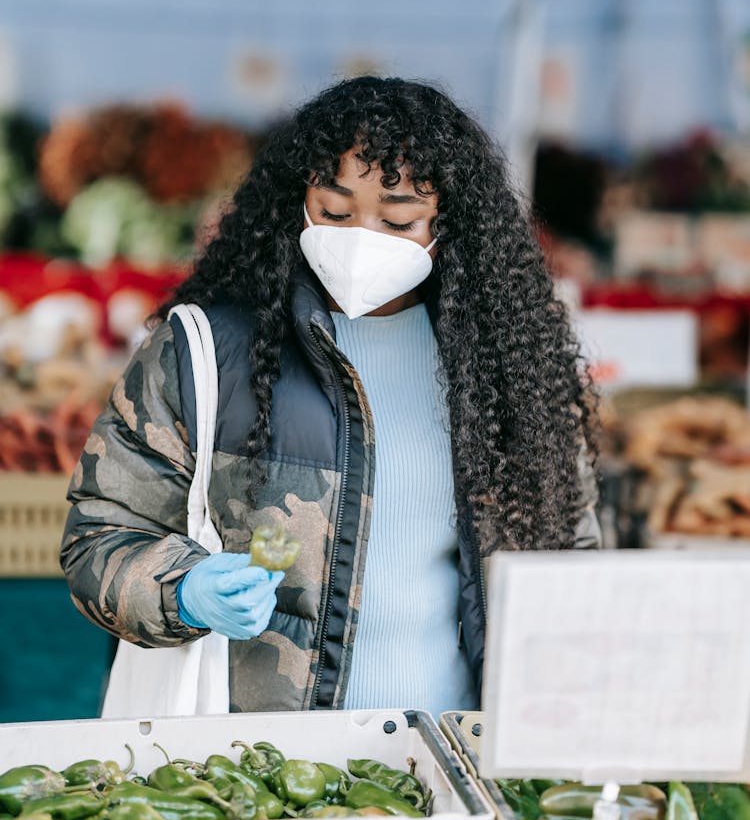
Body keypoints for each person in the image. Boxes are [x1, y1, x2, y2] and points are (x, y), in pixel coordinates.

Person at [61, 76, 600, 716]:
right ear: (298, 202)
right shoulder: (204, 350)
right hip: (257, 770)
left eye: (398, 219)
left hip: (453, 748)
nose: (362, 238)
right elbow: (99, 537)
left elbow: (569, 564)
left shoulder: (508, 368)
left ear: (449, 223)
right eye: (336, 213)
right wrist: (182, 589)